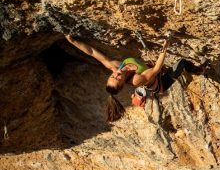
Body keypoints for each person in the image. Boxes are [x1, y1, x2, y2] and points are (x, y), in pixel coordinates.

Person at [65, 35, 207, 122]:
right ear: (122, 84)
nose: (117, 74)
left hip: (151, 72)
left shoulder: (116, 67)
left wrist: (73, 41)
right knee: (181, 63)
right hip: (161, 84)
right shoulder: (136, 80)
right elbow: (157, 68)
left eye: (113, 76)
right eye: (118, 78)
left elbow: (92, 52)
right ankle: (198, 70)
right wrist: (165, 46)